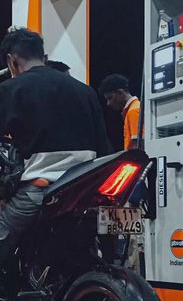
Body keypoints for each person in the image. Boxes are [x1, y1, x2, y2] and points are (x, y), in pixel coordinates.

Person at [0, 27, 111, 273]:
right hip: (86, 190)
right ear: (44, 57)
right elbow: (104, 146)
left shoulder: (11, 89)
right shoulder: (85, 90)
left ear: (12, 60)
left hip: (41, 190)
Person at [99, 74, 141, 150]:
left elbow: (137, 145)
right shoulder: (134, 108)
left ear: (120, 93)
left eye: (110, 98)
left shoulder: (133, 111)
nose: (108, 103)